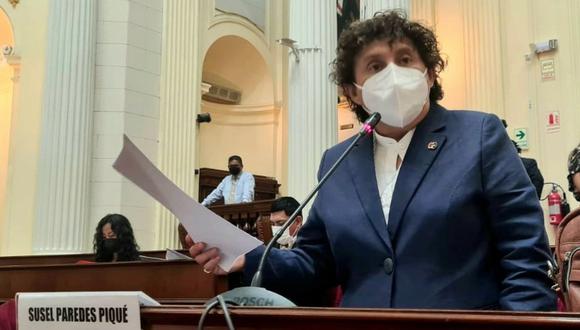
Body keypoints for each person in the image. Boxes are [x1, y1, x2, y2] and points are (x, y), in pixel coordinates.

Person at [188, 11, 555, 310]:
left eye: (406, 59)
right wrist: (247, 258)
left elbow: (524, 255)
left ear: (428, 74)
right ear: (353, 91)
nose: (393, 73)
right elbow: (315, 266)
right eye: (376, 66)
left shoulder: (477, 135)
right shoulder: (339, 160)